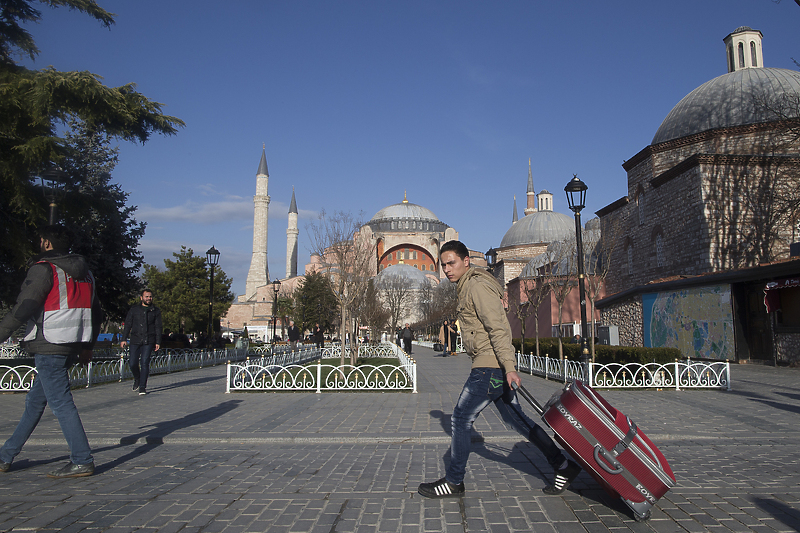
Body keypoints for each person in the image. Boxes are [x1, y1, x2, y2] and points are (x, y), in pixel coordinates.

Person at [418, 240, 580, 499]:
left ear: (466, 261)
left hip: (489, 367)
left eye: (452, 263)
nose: (447, 269)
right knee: (518, 420)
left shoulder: (476, 286)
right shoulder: (467, 285)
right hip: (491, 365)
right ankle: (563, 465)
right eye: (444, 264)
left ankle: (454, 481)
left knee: (460, 419)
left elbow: (499, 328)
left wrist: (509, 367)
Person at [0, 225, 103, 478]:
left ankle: (81, 459)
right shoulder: (86, 273)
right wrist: (88, 346)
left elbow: (26, 306)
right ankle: (5, 456)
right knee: (35, 403)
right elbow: (97, 312)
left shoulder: (44, 268)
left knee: (61, 403)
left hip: (49, 341)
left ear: (46, 243)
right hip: (72, 343)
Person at [120, 289, 162, 395]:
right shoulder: (134, 310)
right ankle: (137, 378)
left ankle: (142, 386)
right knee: (132, 362)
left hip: (149, 340)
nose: (149, 298)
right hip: (135, 339)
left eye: (150, 297)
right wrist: (124, 338)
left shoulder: (155, 311)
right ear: (141, 298)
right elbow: (128, 324)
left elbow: (158, 327)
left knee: (144, 363)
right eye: (146, 296)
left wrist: (158, 341)